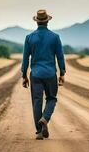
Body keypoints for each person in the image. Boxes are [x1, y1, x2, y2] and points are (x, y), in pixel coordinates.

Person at [21, 9, 66, 140]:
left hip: (35, 74)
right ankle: (45, 118)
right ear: (47, 21)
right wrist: (62, 73)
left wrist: (24, 75)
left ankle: (39, 132)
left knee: (36, 102)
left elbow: (25, 59)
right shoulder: (55, 37)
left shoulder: (29, 38)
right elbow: (60, 57)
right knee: (51, 98)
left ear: (37, 22)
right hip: (50, 74)